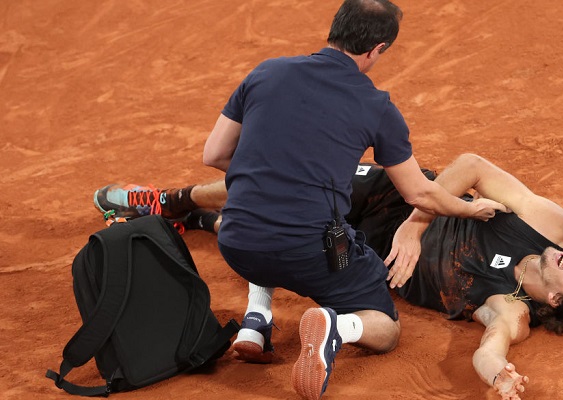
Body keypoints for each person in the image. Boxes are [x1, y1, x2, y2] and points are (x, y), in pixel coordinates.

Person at [165, 1, 509, 399]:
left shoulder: (267, 72)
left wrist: (271, 175)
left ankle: (256, 320)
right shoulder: (377, 106)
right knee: (386, 326)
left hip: (238, 244)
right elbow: (419, 192)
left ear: (335, 29)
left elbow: (214, 154)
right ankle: (337, 328)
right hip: (309, 253)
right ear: (377, 49)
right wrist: (470, 208)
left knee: (270, 218)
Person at [94, 153, 563, 400]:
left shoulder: (511, 309)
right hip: (398, 197)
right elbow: (472, 166)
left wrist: (498, 376)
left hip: (364, 256)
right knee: (286, 181)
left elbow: (490, 348)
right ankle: (167, 201)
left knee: (277, 236)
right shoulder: (551, 226)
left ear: (555, 301)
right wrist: (416, 225)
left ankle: (199, 221)